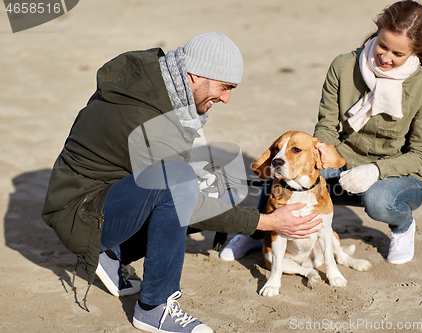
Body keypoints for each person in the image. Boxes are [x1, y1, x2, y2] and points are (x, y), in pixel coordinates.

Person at [41, 32, 322, 333]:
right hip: (81, 214)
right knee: (180, 181)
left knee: (222, 187)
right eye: (224, 87)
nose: (226, 98)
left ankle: (113, 254)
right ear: (195, 75)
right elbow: (181, 192)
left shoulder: (163, 89)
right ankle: (154, 307)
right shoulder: (145, 115)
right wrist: (265, 223)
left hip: (112, 197)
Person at [222, 0, 422, 266]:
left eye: (397, 54)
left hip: (396, 173)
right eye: (383, 46)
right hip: (342, 158)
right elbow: (326, 125)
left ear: (415, 52)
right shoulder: (344, 66)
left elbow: (419, 154)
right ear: (377, 31)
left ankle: (403, 227)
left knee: (378, 199)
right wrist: (325, 156)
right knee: (285, 167)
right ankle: (261, 229)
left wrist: (374, 171)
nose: (385, 58)